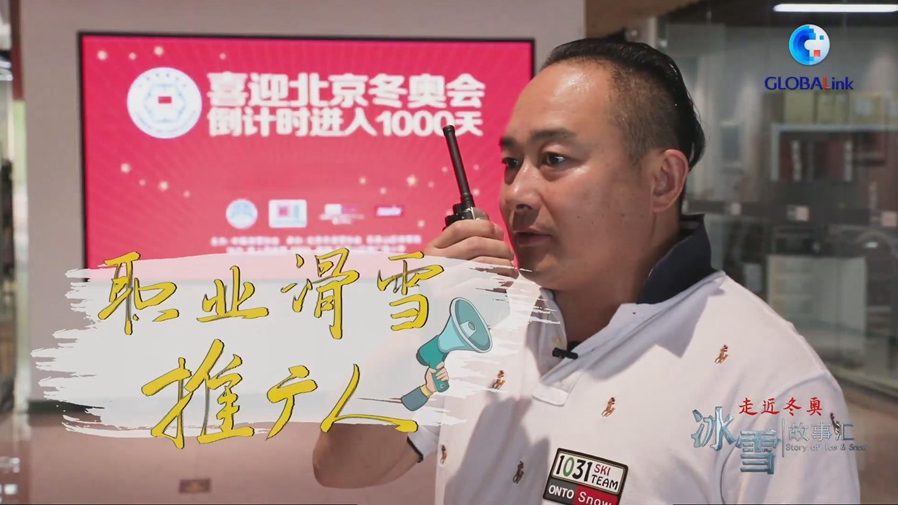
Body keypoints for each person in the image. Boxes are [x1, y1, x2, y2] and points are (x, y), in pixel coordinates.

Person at [313, 38, 861, 504]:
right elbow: (341, 467)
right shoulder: (479, 321)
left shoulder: (773, 383)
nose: (518, 192)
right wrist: (412, 334)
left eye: (554, 159)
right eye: (511, 163)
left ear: (662, 181)